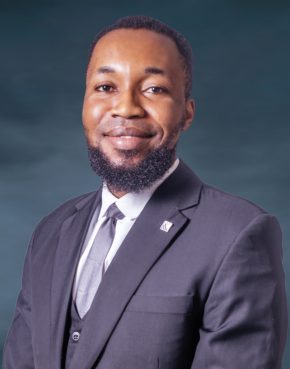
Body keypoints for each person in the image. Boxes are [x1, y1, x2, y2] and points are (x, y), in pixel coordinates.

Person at [3, 15, 287, 369]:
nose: (125, 108)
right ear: (84, 104)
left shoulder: (239, 233)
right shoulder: (50, 231)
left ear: (186, 113)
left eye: (154, 89)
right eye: (106, 87)